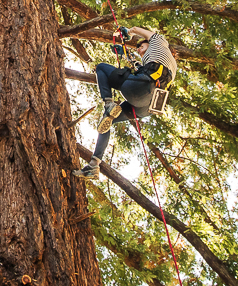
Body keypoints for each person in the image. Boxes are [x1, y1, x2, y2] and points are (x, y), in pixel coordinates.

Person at [73, 25, 175, 178]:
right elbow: (139, 68)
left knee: (101, 68)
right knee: (108, 121)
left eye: (142, 46)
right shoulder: (154, 62)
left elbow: (152, 35)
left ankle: (108, 103)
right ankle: (94, 165)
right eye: (138, 48)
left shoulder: (159, 43)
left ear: (150, 43)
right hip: (148, 104)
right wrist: (126, 53)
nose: (140, 50)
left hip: (143, 86)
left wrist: (132, 30)